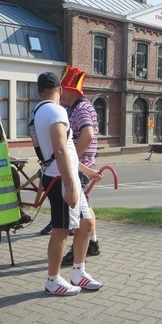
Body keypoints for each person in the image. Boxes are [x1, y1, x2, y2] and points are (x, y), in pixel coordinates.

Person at [31, 72, 102, 296]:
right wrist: (71, 186)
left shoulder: (37, 112)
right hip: (61, 178)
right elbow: (60, 149)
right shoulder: (57, 110)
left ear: (39, 91)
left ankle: (78, 272)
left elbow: (65, 150)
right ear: (60, 91)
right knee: (61, 230)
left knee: (87, 223)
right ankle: (53, 279)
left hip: (63, 174)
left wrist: (84, 170)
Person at [60, 71, 103, 265]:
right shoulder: (78, 107)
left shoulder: (81, 109)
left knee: (79, 210)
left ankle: (81, 249)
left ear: (72, 90)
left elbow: (88, 134)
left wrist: (73, 158)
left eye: (63, 90)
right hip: (82, 164)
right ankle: (92, 243)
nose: (61, 93)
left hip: (80, 165)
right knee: (86, 205)